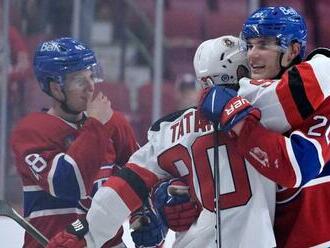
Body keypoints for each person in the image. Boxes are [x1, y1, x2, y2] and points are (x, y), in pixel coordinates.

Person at [47, 35, 278, 248]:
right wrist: (162, 195)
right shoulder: (267, 111)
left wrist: (84, 231)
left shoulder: (170, 129)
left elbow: (124, 185)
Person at [199, 6, 330, 248]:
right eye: (249, 46)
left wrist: (239, 122)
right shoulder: (243, 99)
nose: (252, 55)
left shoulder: (323, 98)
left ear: (293, 49)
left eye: (263, 45)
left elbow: (297, 167)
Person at [10, 37, 139, 248]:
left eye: (91, 76)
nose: (90, 87)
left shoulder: (114, 123)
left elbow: (141, 174)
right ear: (55, 88)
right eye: (79, 80)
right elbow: (68, 184)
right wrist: (96, 125)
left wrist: (144, 214)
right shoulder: (31, 132)